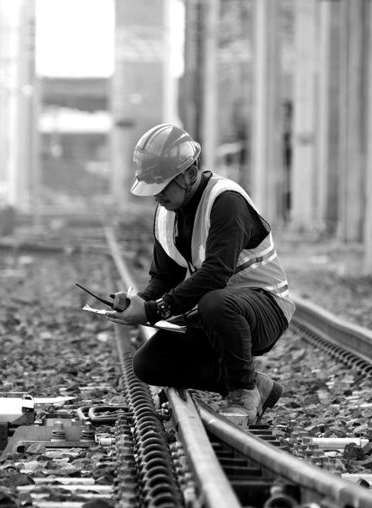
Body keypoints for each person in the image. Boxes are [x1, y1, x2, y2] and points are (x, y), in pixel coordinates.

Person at [105, 123, 295, 424]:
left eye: (163, 187)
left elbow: (215, 274)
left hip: (265, 308)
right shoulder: (168, 213)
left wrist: (157, 309)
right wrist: (137, 303)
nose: (157, 196)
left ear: (190, 174)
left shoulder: (226, 202)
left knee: (215, 302)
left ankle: (243, 393)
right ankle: (254, 383)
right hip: (215, 313)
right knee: (147, 364)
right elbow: (164, 276)